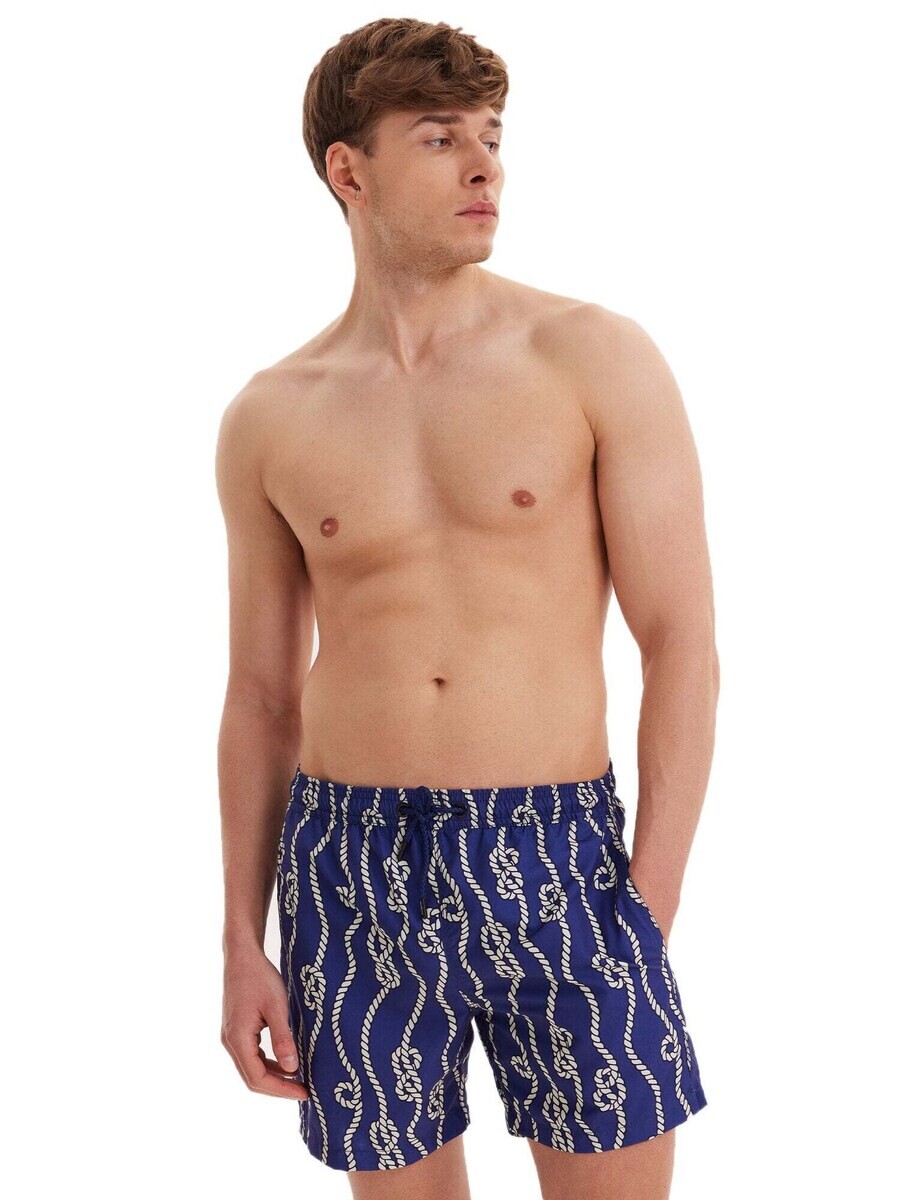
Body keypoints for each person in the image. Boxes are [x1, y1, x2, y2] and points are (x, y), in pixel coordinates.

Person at [215, 17, 718, 1200]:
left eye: (492, 135)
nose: (485, 165)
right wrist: (243, 938)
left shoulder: (592, 357)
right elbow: (261, 697)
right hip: (347, 869)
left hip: (562, 858)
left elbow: (682, 644)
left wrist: (646, 905)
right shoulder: (270, 414)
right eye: (440, 138)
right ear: (349, 170)